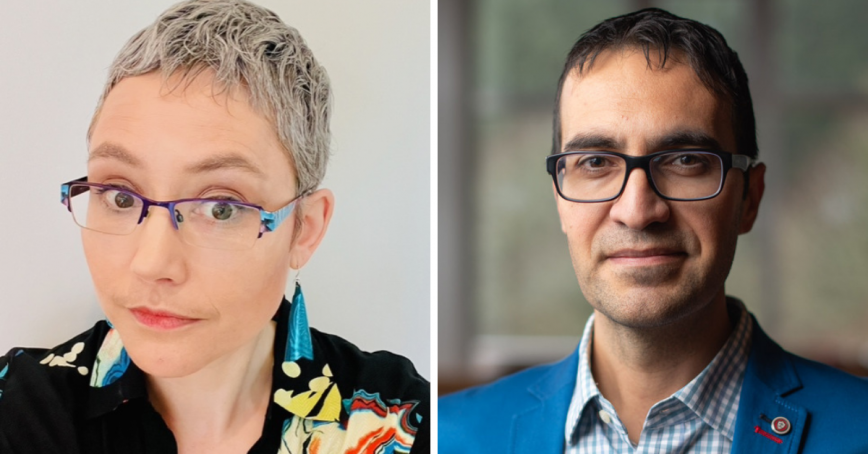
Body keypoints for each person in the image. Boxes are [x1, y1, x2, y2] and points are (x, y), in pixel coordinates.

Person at [0, 1, 429, 453]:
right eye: (121, 197)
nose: (152, 264)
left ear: (304, 229)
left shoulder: (402, 420)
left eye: (221, 207)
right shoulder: (20, 411)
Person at [439, 8, 868, 453]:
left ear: (749, 199)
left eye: (685, 161)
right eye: (596, 162)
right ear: (560, 201)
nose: (638, 210)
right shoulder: (448, 437)